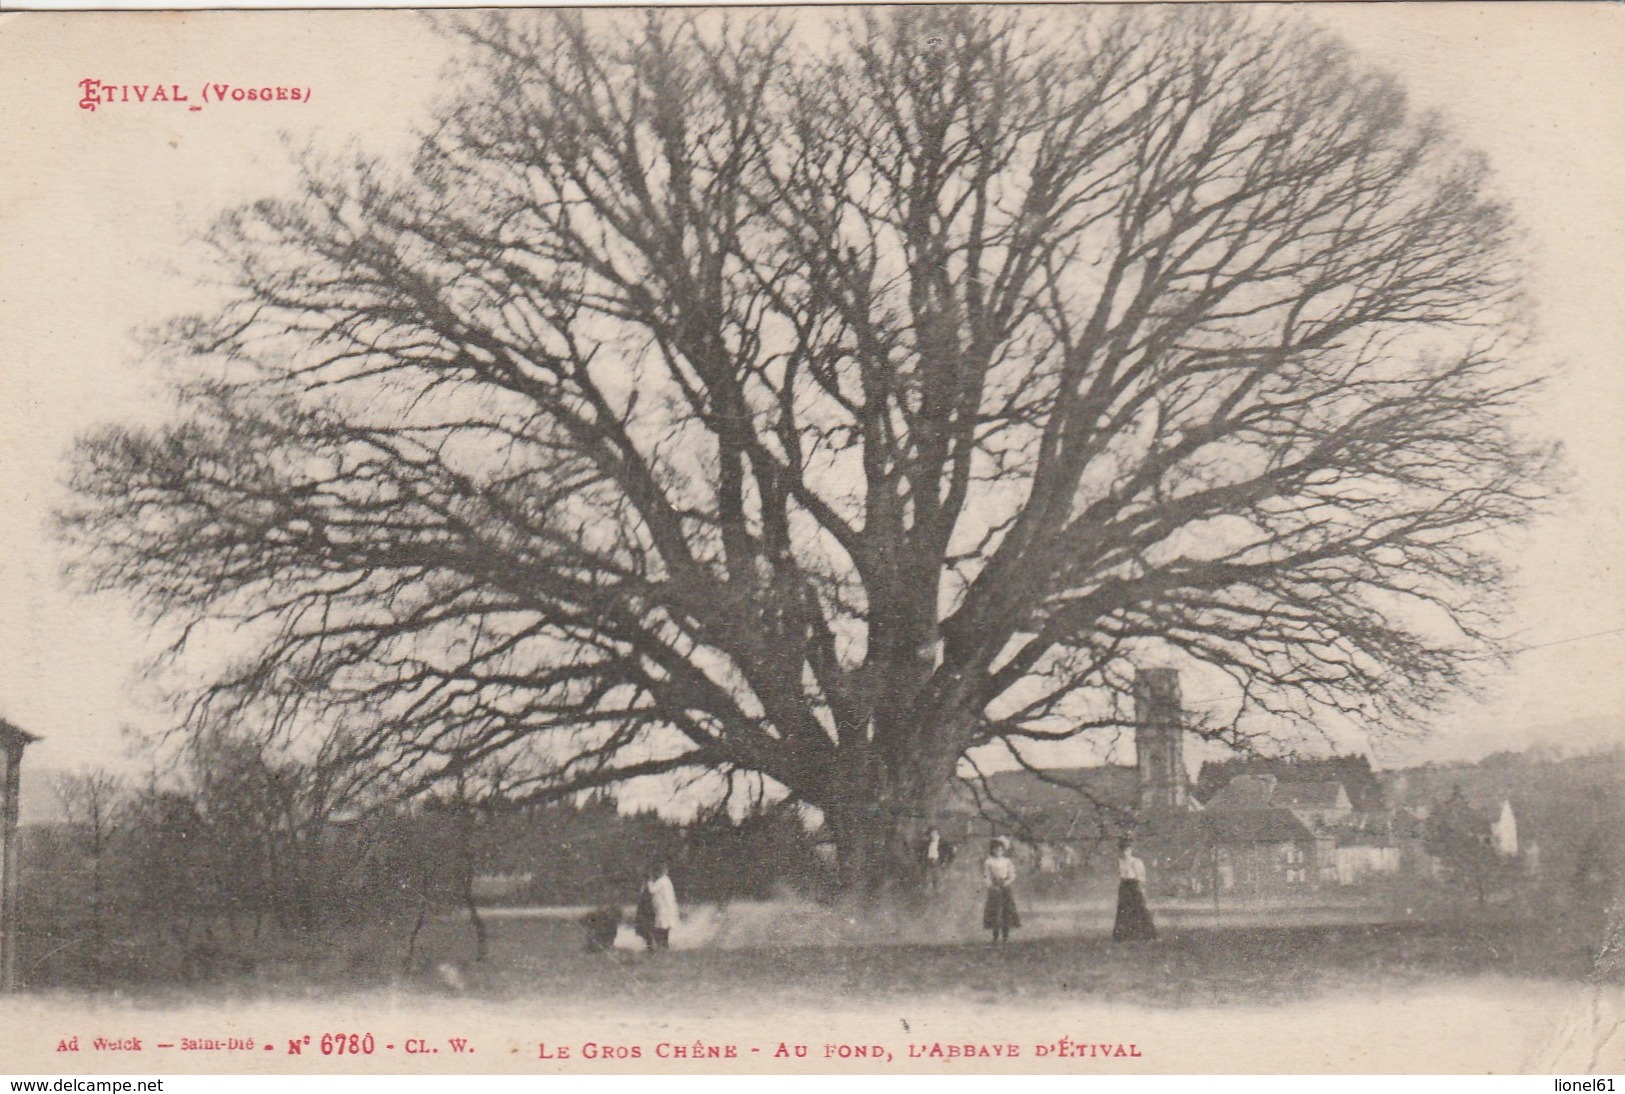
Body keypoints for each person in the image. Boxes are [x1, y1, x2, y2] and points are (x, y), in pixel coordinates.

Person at [1112, 838, 1157, 942]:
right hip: (1124, 886)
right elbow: (1119, 875)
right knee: (1123, 910)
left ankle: (1148, 934)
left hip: (1134, 885)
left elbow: (1141, 876)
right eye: (1122, 850)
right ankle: (1124, 935)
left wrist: (1140, 887)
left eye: (1126, 850)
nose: (1124, 852)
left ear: (1130, 850)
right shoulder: (1119, 862)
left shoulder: (1136, 861)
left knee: (1140, 909)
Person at [981, 837, 1021, 943]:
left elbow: (1012, 875)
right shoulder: (988, 862)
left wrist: (1006, 882)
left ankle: (1005, 937)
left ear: (1003, 850)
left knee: (1006, 912)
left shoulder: (1007, 861)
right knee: (995, 912)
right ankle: (995, 936)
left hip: (1005, 888)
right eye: (996, 849)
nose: (998, 851)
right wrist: (991, 885)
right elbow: (986, 876)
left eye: (1000, 849)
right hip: (995, 888)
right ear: (992, 850)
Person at [639, 862, 679, 950]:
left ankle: (662, 945)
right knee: (663, 926)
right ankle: (663, 945)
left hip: (663, 907)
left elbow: (652, 890)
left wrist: (649, 881)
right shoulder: (666, 880)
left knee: (662, 926)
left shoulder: (662, 881)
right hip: (665, 906)